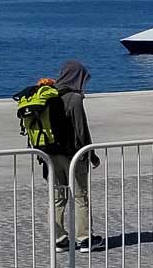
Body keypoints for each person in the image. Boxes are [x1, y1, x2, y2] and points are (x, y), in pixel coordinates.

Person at [50, 61, 104, 254]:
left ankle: (59, 239)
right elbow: (82, 131)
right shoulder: (74, 99)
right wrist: (92, 155)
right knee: (81, 197)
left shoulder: (49, 95)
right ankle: (85, 239)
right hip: (73, 155)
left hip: (51, 155)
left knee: (58, 197)